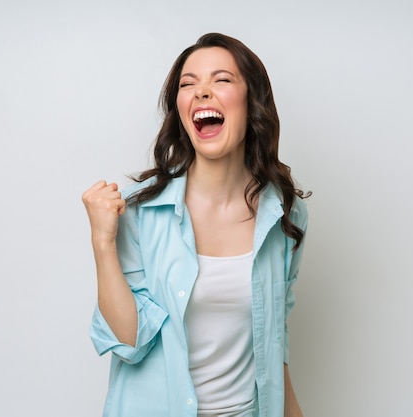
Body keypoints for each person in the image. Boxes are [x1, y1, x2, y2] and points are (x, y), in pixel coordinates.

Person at [82, 32, 310, 417]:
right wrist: (102, 242)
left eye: (221, 80)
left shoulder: (285, 215)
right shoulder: (138, 211)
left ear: (251, 102)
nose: (202, 92)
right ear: (180, 108)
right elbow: (128, 342)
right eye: (189, 84)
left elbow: (275, 342)